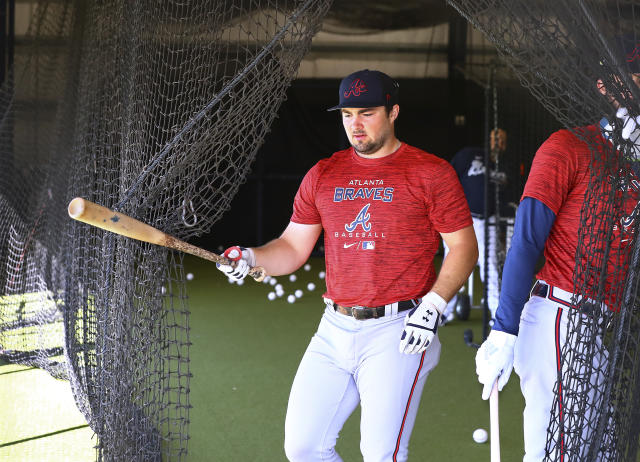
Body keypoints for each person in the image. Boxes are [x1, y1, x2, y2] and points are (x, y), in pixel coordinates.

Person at [217, 69, 478, 462]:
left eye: (367, 113)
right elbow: (291, 246)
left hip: (400, 330)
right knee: (304, 448)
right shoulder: (324, 173)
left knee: (380, 455)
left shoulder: (431, 173)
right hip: (333, 328)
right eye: (347, 114)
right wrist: (252, 257)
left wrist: (434, 306)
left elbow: (463, 247)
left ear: (393, 112)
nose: (355, 125)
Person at [474, 52, 640, 460]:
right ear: (607, 86)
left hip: (607, 331)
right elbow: (526, 241)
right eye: (637, 75)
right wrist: (503, 330)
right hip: (560, 319)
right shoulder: (568, 146)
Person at [442, 129, 509, 323]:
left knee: (491, 269)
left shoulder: (506, 165)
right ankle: (445, 312)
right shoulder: (471, 154)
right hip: (460, 221)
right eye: (495, 138)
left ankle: (497, 316)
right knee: (453, 266)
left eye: (502, 140)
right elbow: (448, 178)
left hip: (488, 222)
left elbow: (509, 196)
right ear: (488, 139)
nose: (498, 143)